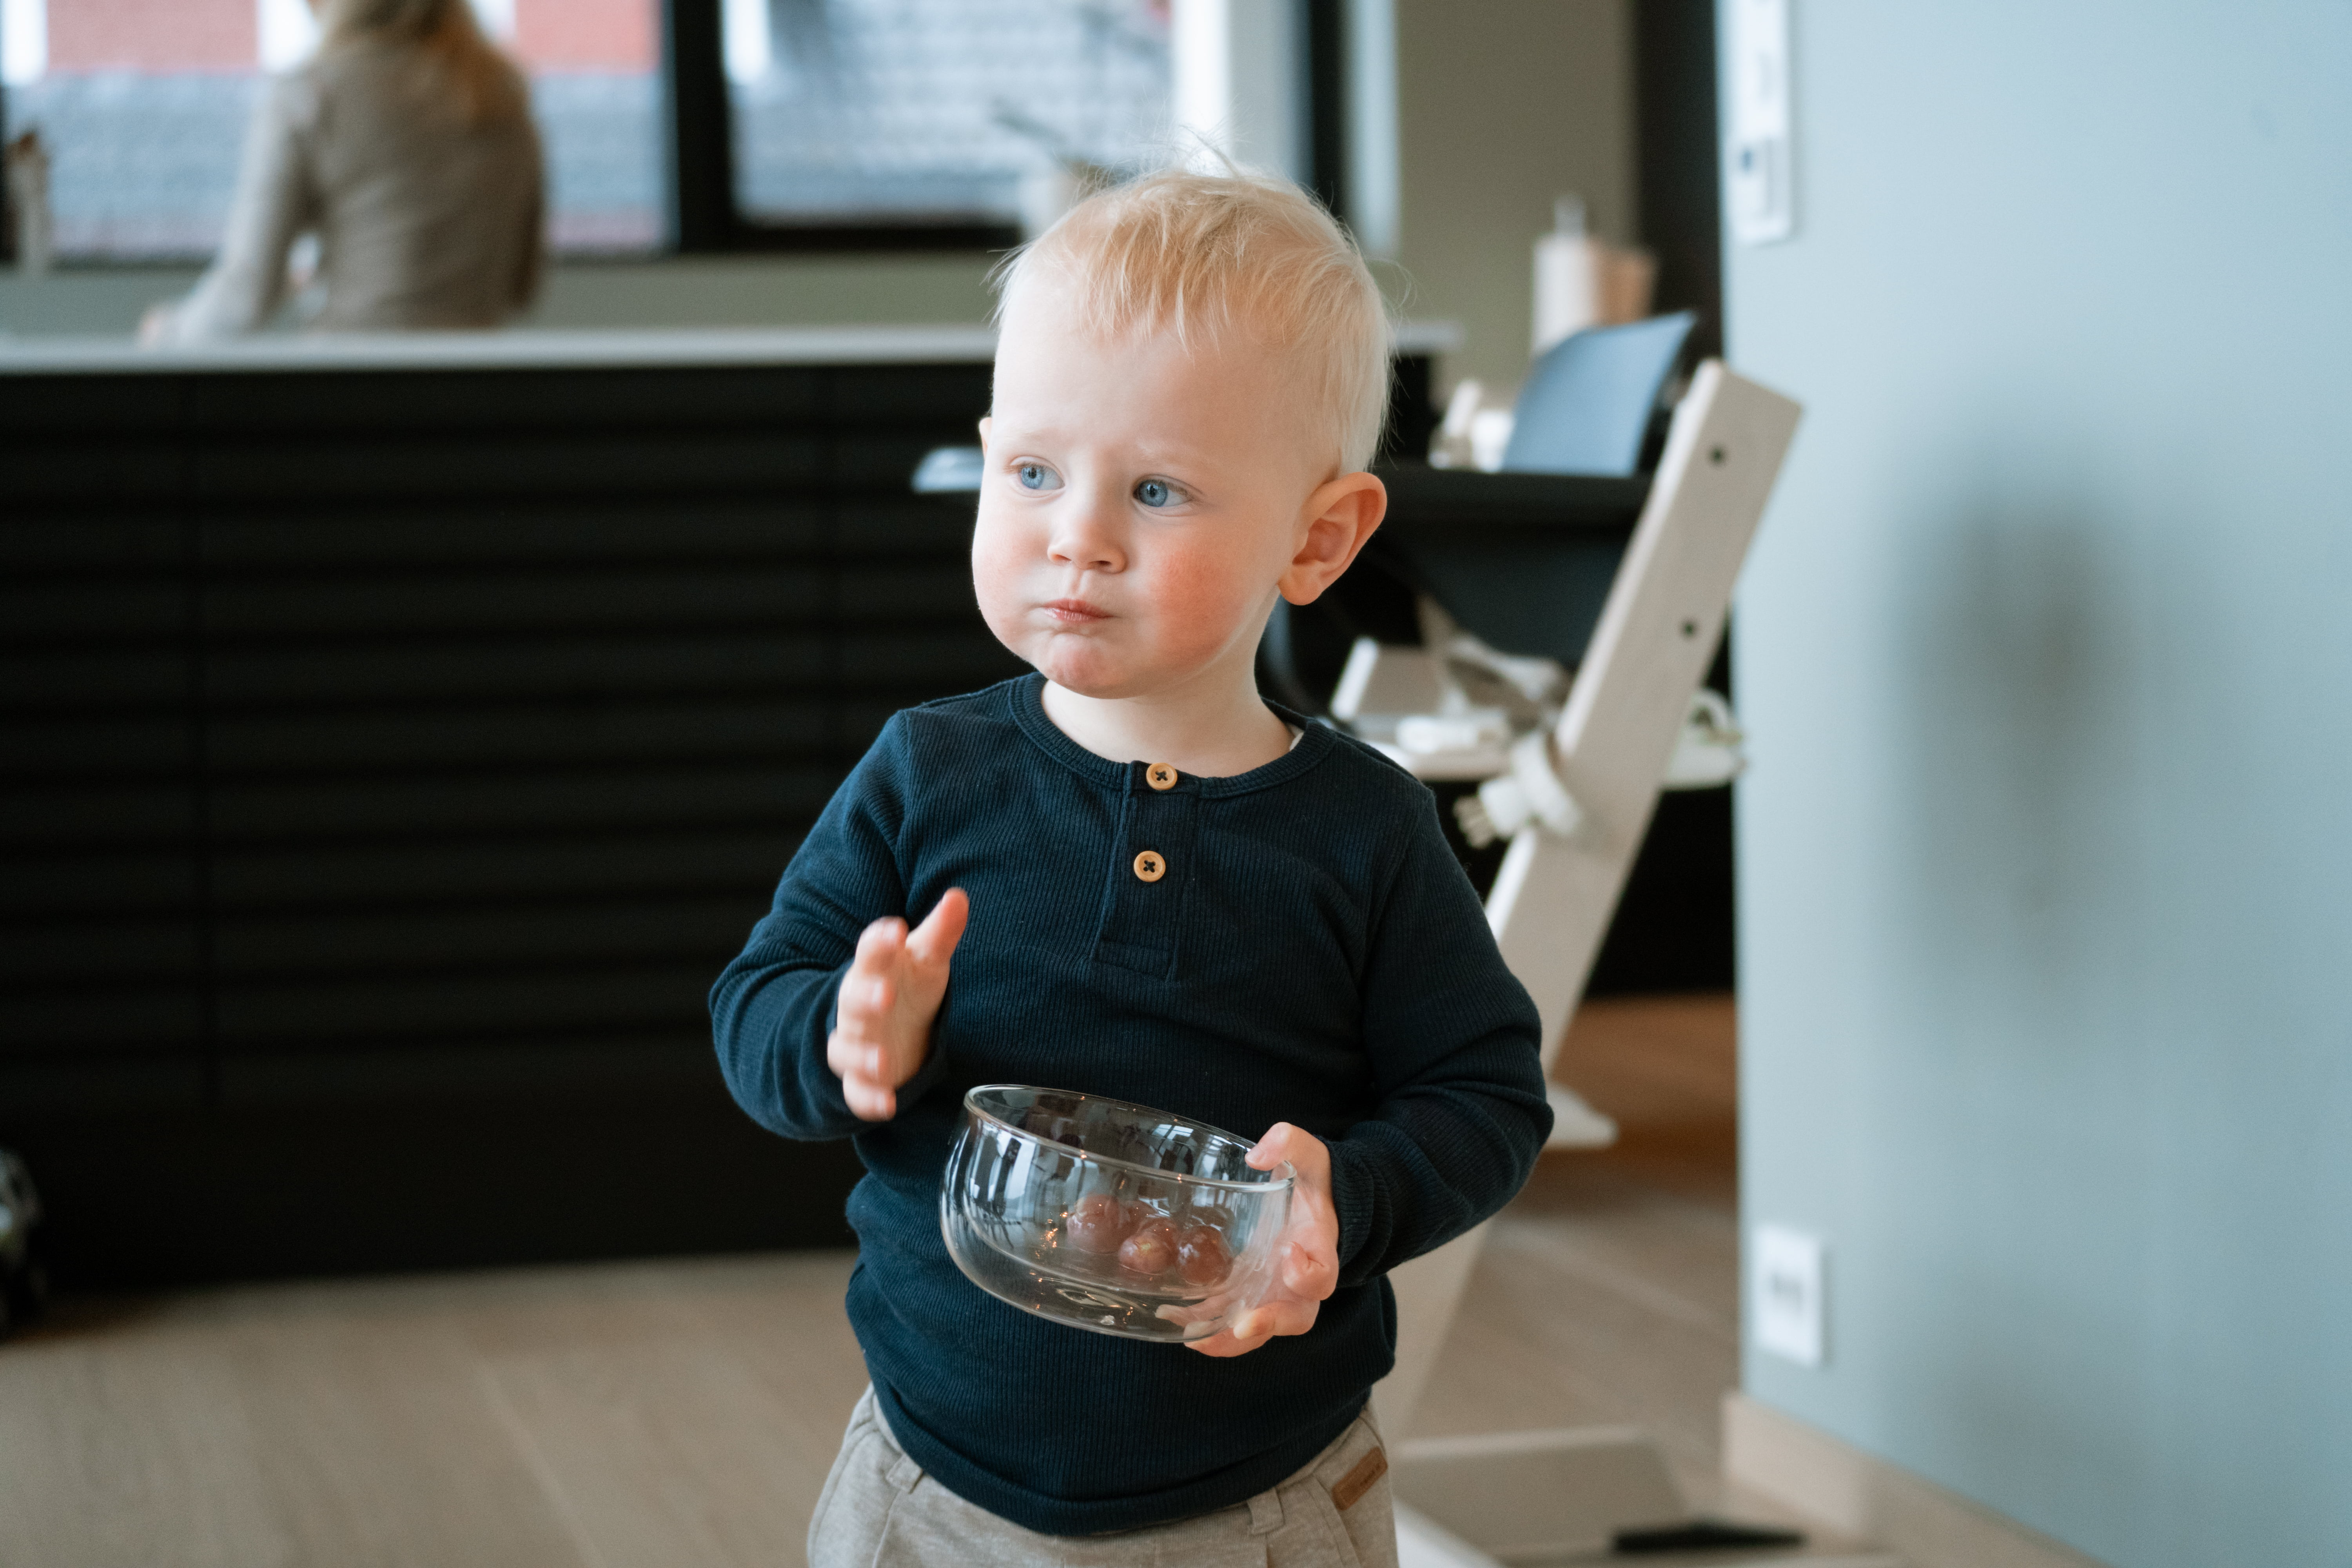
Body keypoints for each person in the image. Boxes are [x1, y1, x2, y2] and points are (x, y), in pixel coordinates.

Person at [710, 166, 1552, 1567]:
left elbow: (1483, 1097)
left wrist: (1341, 1202)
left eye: (1155, 488)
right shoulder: (928, 770)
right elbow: (757, 1001)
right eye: (1032, 471)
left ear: (1318, 535)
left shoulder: (1366, 830)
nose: (1075, 536)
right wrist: (841, 1029)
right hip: (929, 1486)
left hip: (1260, 1497)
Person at [144, 0, 542, 343]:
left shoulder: (312, 94)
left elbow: (245, 299)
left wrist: (167, 335)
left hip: (348, 399)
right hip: (477, 403)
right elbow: (521, 287)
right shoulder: (505, 98)